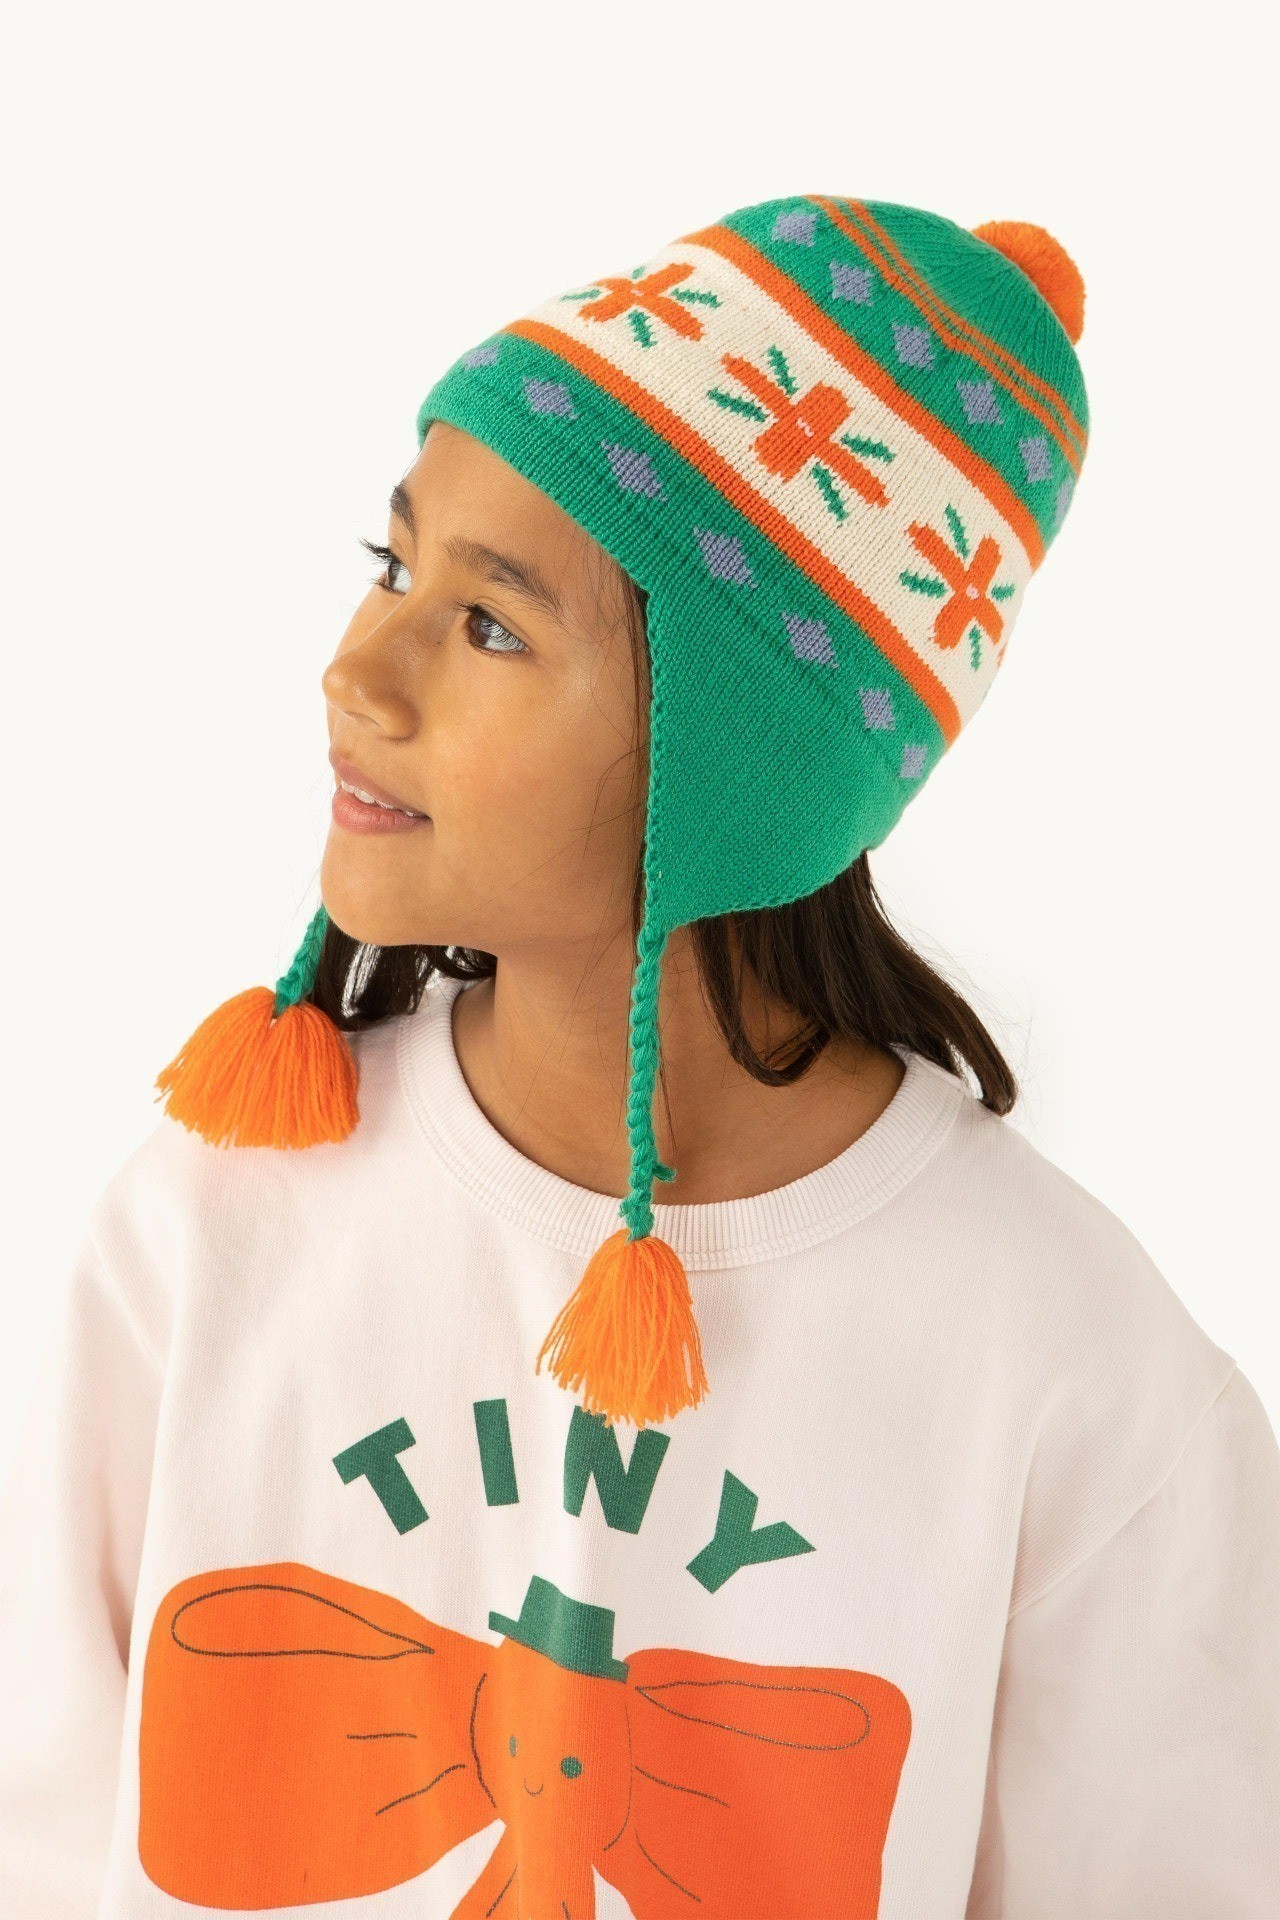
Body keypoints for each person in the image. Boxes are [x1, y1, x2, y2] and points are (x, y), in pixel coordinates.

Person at [1, 192, 1276, 1920]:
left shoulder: (1069, 1366)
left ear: (740, 774)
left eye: (493, 625)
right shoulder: (206, 1230)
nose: (358, 670)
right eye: (394, 566)